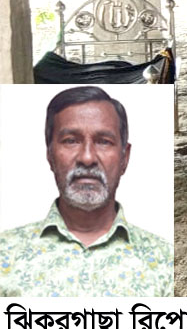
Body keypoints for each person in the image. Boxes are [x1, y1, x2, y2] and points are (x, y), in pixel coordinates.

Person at [0, 86, 173, 296]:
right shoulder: (6, 253)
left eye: (104, 142)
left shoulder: (165, 260)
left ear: (124, 158)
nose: (87, 157)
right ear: (49, 155)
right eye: (71, 141)